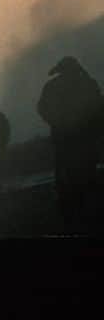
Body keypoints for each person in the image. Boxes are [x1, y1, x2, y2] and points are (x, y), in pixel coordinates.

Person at [37, 56, 102, 230]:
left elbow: (42, 108)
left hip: (64, 138)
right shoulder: (88, 83)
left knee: (65, 172)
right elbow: (99, 109)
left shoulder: (53, 86)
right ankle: (86, 209)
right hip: (84, 138)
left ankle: (70, 210)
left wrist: (56, 122)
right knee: (86, 171)